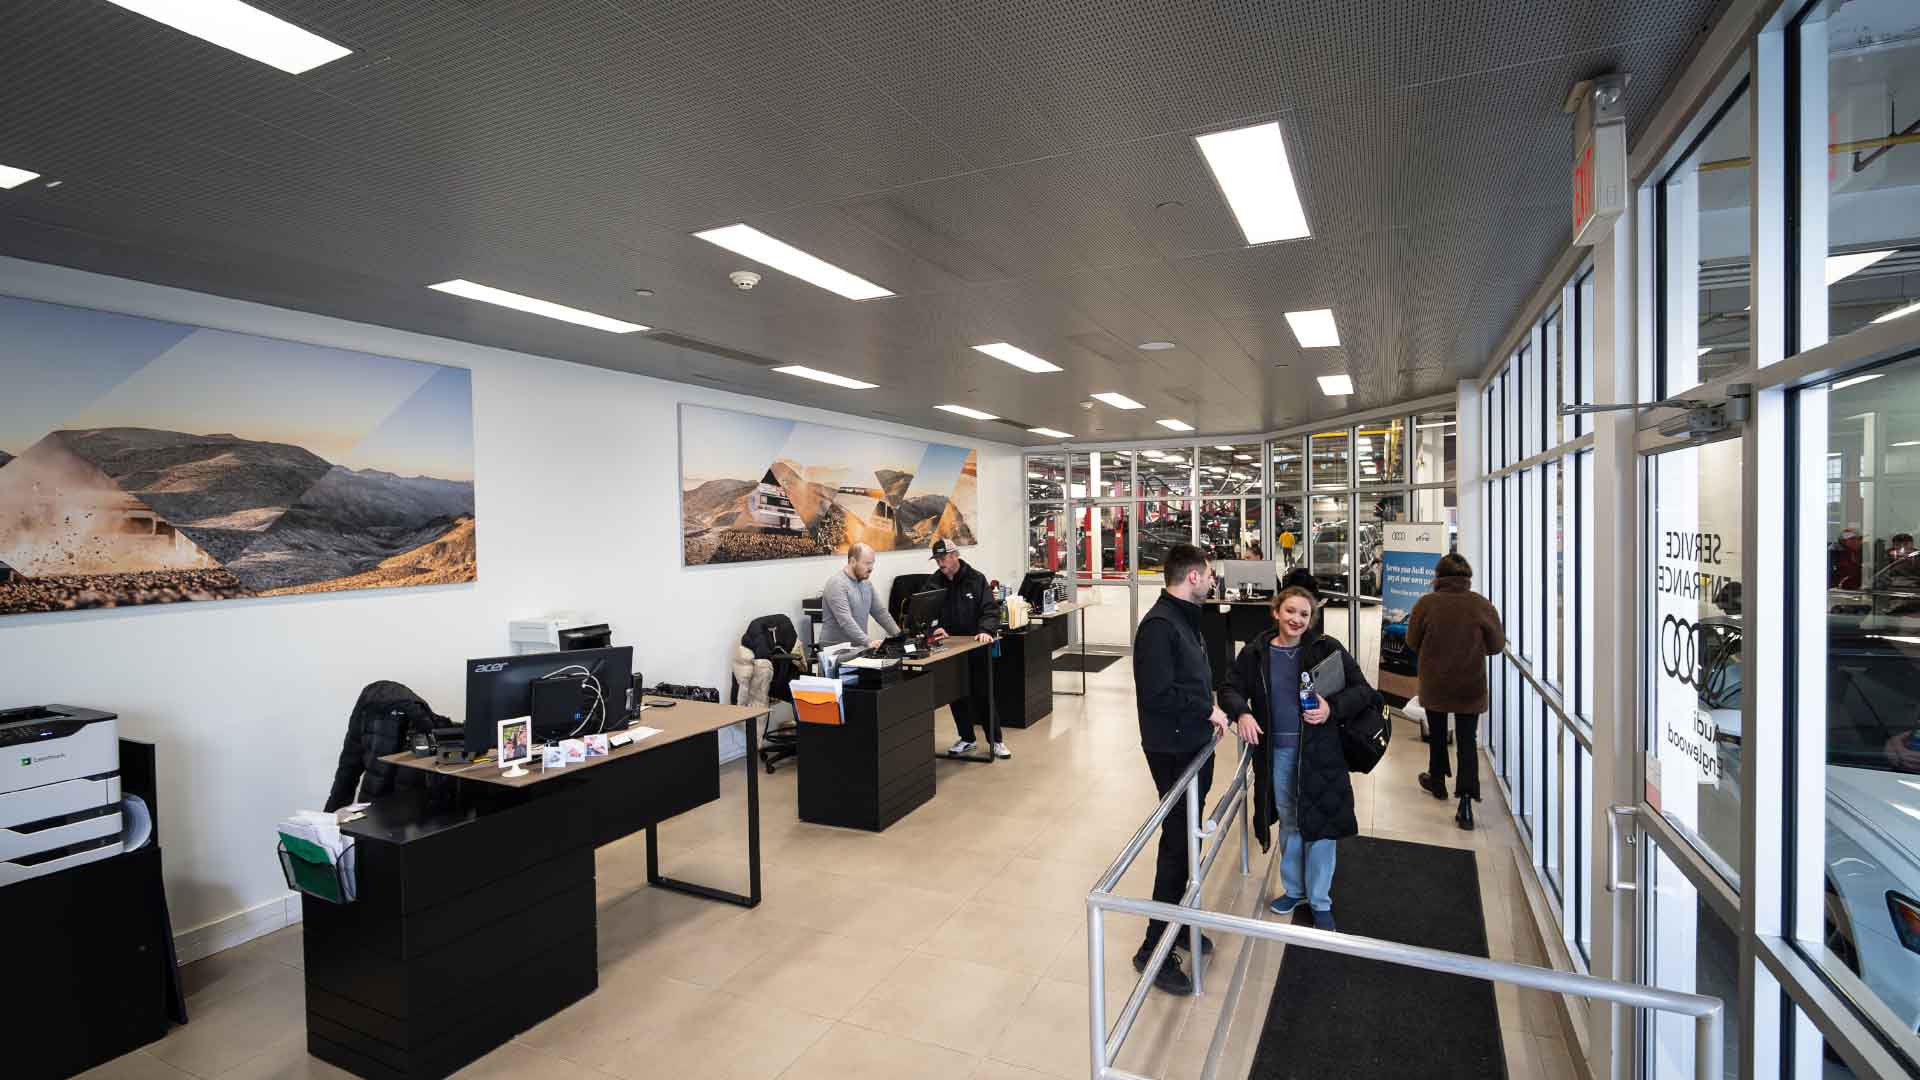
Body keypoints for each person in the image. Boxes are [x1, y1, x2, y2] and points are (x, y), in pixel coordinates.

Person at [1219, 586, 1377, 930]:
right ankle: (1295, 890)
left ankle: (1320, 901)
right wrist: (1242, 712)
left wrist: (1331, 708)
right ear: (1276, 612)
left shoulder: (1326, 649)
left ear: (1311, 619)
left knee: (1321, 825)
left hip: (1321, 753)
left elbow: (1364, 691)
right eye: (1290, 611)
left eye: (1304, 614)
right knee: (1290, 822)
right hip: (1278, 754)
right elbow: (1229, 688)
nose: (1296, 619)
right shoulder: (1256, 653)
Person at [1131, 543, 1230, 995]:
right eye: (1208, 574)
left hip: (1192, 744)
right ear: (1192, 577)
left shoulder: (1184, 618)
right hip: (1172, 750)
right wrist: (1206, 709)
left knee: (1187, 840)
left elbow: (1191, 678)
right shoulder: (1159, 626)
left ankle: (1181, 922)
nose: (1211, 581)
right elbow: (1157, 693)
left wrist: (1210, 705)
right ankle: (1153, 949)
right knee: (1176, 845)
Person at [1404, 553, 1506, 830]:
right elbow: (1497, 645)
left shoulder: (1426, 604)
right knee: (1466, 741)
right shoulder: (1481, 605)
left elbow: (1411, 641)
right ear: (1467, 578)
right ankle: (1466, 804)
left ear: (1438, 577)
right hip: (1470, 685)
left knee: (1437, 734)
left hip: (1435, 683)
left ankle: (1437, 781)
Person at [927, 539, 1009, 759]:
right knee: (956, 695)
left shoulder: (976, 579)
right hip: (950, 649)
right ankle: (967, 738)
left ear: (955, 555)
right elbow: (925, 613)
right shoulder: (934, 582)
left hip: (975, 645)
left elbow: (990, 610)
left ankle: (996, 741)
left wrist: (986, 630)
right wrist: (935, 628)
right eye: (937, 559)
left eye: (943, 558)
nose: (940, 563)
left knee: (983, 694)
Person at [818, 543, 899, 649]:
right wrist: (868, 642)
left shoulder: (866, 584)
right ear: (853, 561)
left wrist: (899, 636)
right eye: (867, 563)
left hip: (858, 648)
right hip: (836, 650)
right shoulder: (837, 584)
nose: (871, 568)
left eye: (872, 563)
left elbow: (880, 613)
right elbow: (846, 621)